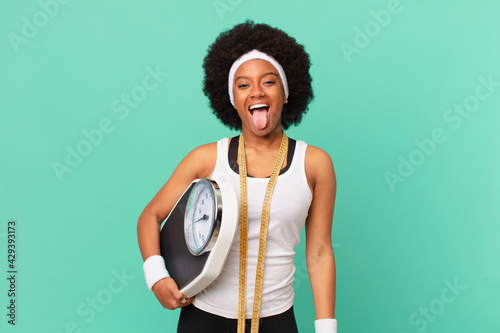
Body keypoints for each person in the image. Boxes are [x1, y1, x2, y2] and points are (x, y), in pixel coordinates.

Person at [137, 21, 337, 333]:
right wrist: (156, 275)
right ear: (231, 99)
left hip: (277, 321)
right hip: (203, 319)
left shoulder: (314, 164)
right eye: (243, 85)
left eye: (268, 82)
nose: (256, 91)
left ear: (286, 92)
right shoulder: (205, 159)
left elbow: (320, 251)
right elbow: (150, 215)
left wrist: (327, 328)